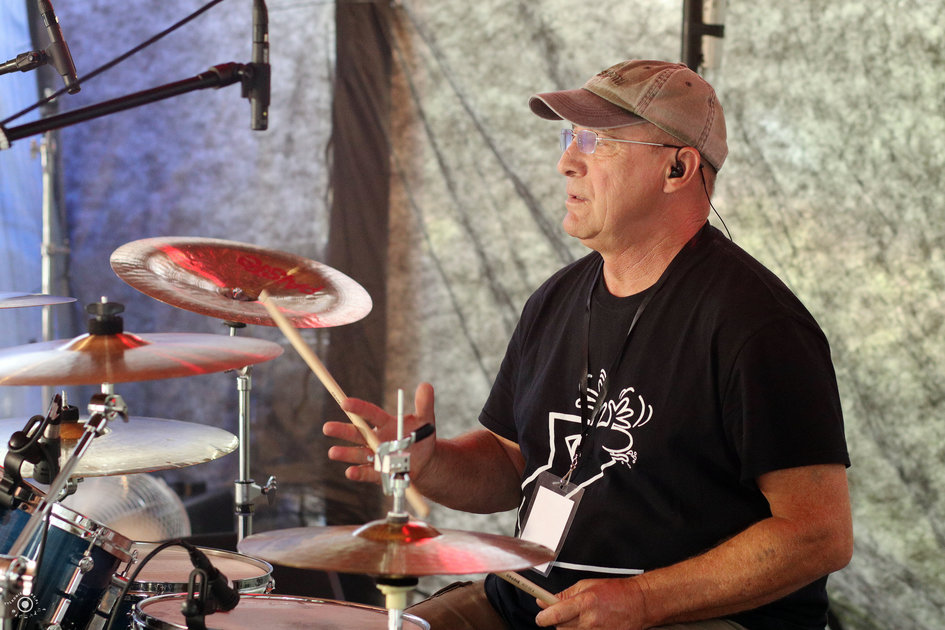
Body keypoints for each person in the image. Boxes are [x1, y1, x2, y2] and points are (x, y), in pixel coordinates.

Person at [324, 59, 853, 630]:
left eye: (597, 141)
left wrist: (644, 599)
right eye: (570, 136)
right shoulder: (553, 301)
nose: (566, 162)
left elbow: (818, 534)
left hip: (680, 618)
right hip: (531, 603)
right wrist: (431, 464)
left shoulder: (758, 325)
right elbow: (513, 462)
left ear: (677, 168)